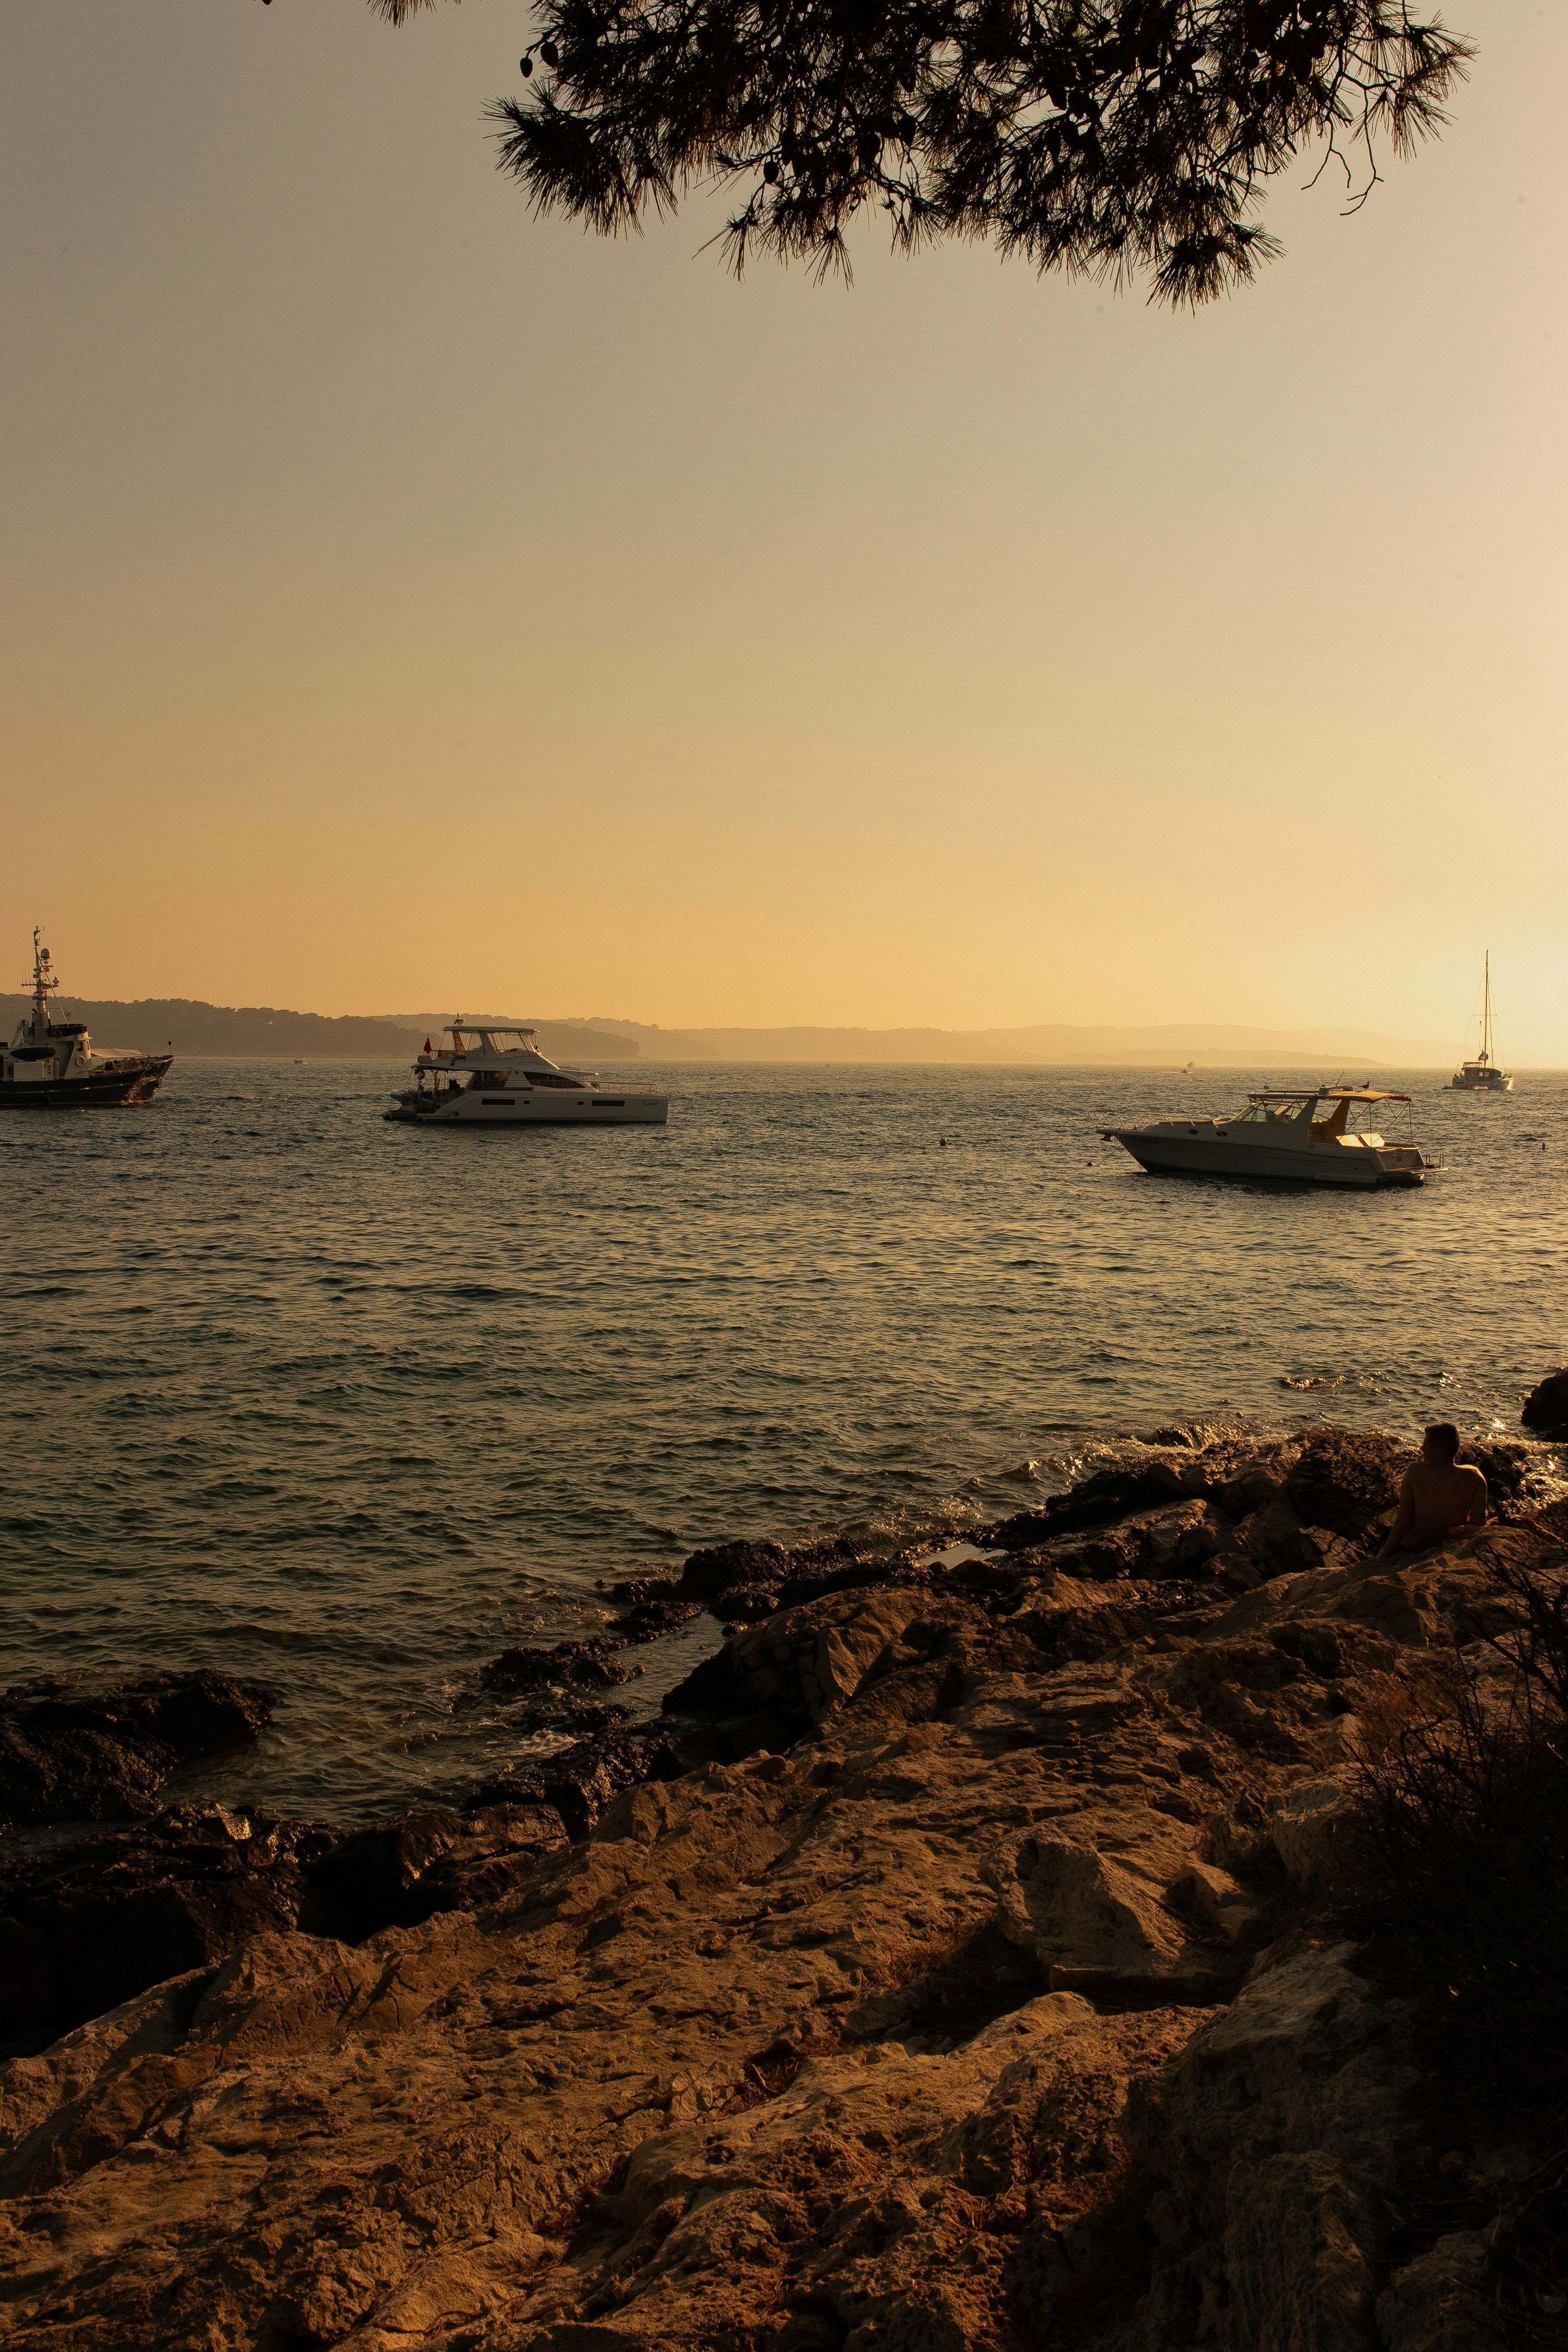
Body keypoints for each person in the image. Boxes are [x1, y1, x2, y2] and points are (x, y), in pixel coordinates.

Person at [1376, 1424, 1488, 1560]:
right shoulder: (1475, 1476)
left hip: (1412, 1549)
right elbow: (1479, 1524)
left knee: (1386, 1534)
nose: (1421, 1448)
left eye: (1424, 1444)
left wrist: (1381, 1558)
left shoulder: (1415, 1471)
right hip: (1445, 1548)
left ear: (1437, 1451)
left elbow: (1404, 1521)